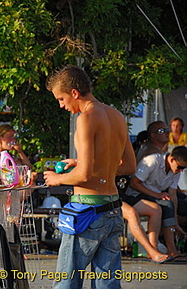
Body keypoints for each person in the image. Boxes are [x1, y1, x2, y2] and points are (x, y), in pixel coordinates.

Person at [43, 65, 136, 288]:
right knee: (107, 284)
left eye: (62, 99)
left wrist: (58, 179)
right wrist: (89, 165)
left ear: (75, 93)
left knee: (67, 282)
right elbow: (129, 166)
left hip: (87, 212)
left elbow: (84, 176)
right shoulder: (116, 115)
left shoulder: (85, 119)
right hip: (113, 209)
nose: (61, 105)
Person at [124, 145, 187, 258]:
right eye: (180, 167)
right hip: (135, 195)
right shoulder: (152, 161)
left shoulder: (176, 171)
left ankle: (170, 249)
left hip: (154, 196)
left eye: (184, 168)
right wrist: (157, 195)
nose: (181, 171)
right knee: (161, 206)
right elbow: (134, 183)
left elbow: (173, 196)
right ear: (172, 159)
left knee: (170, 204)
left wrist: (175, 222)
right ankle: (154, 248)